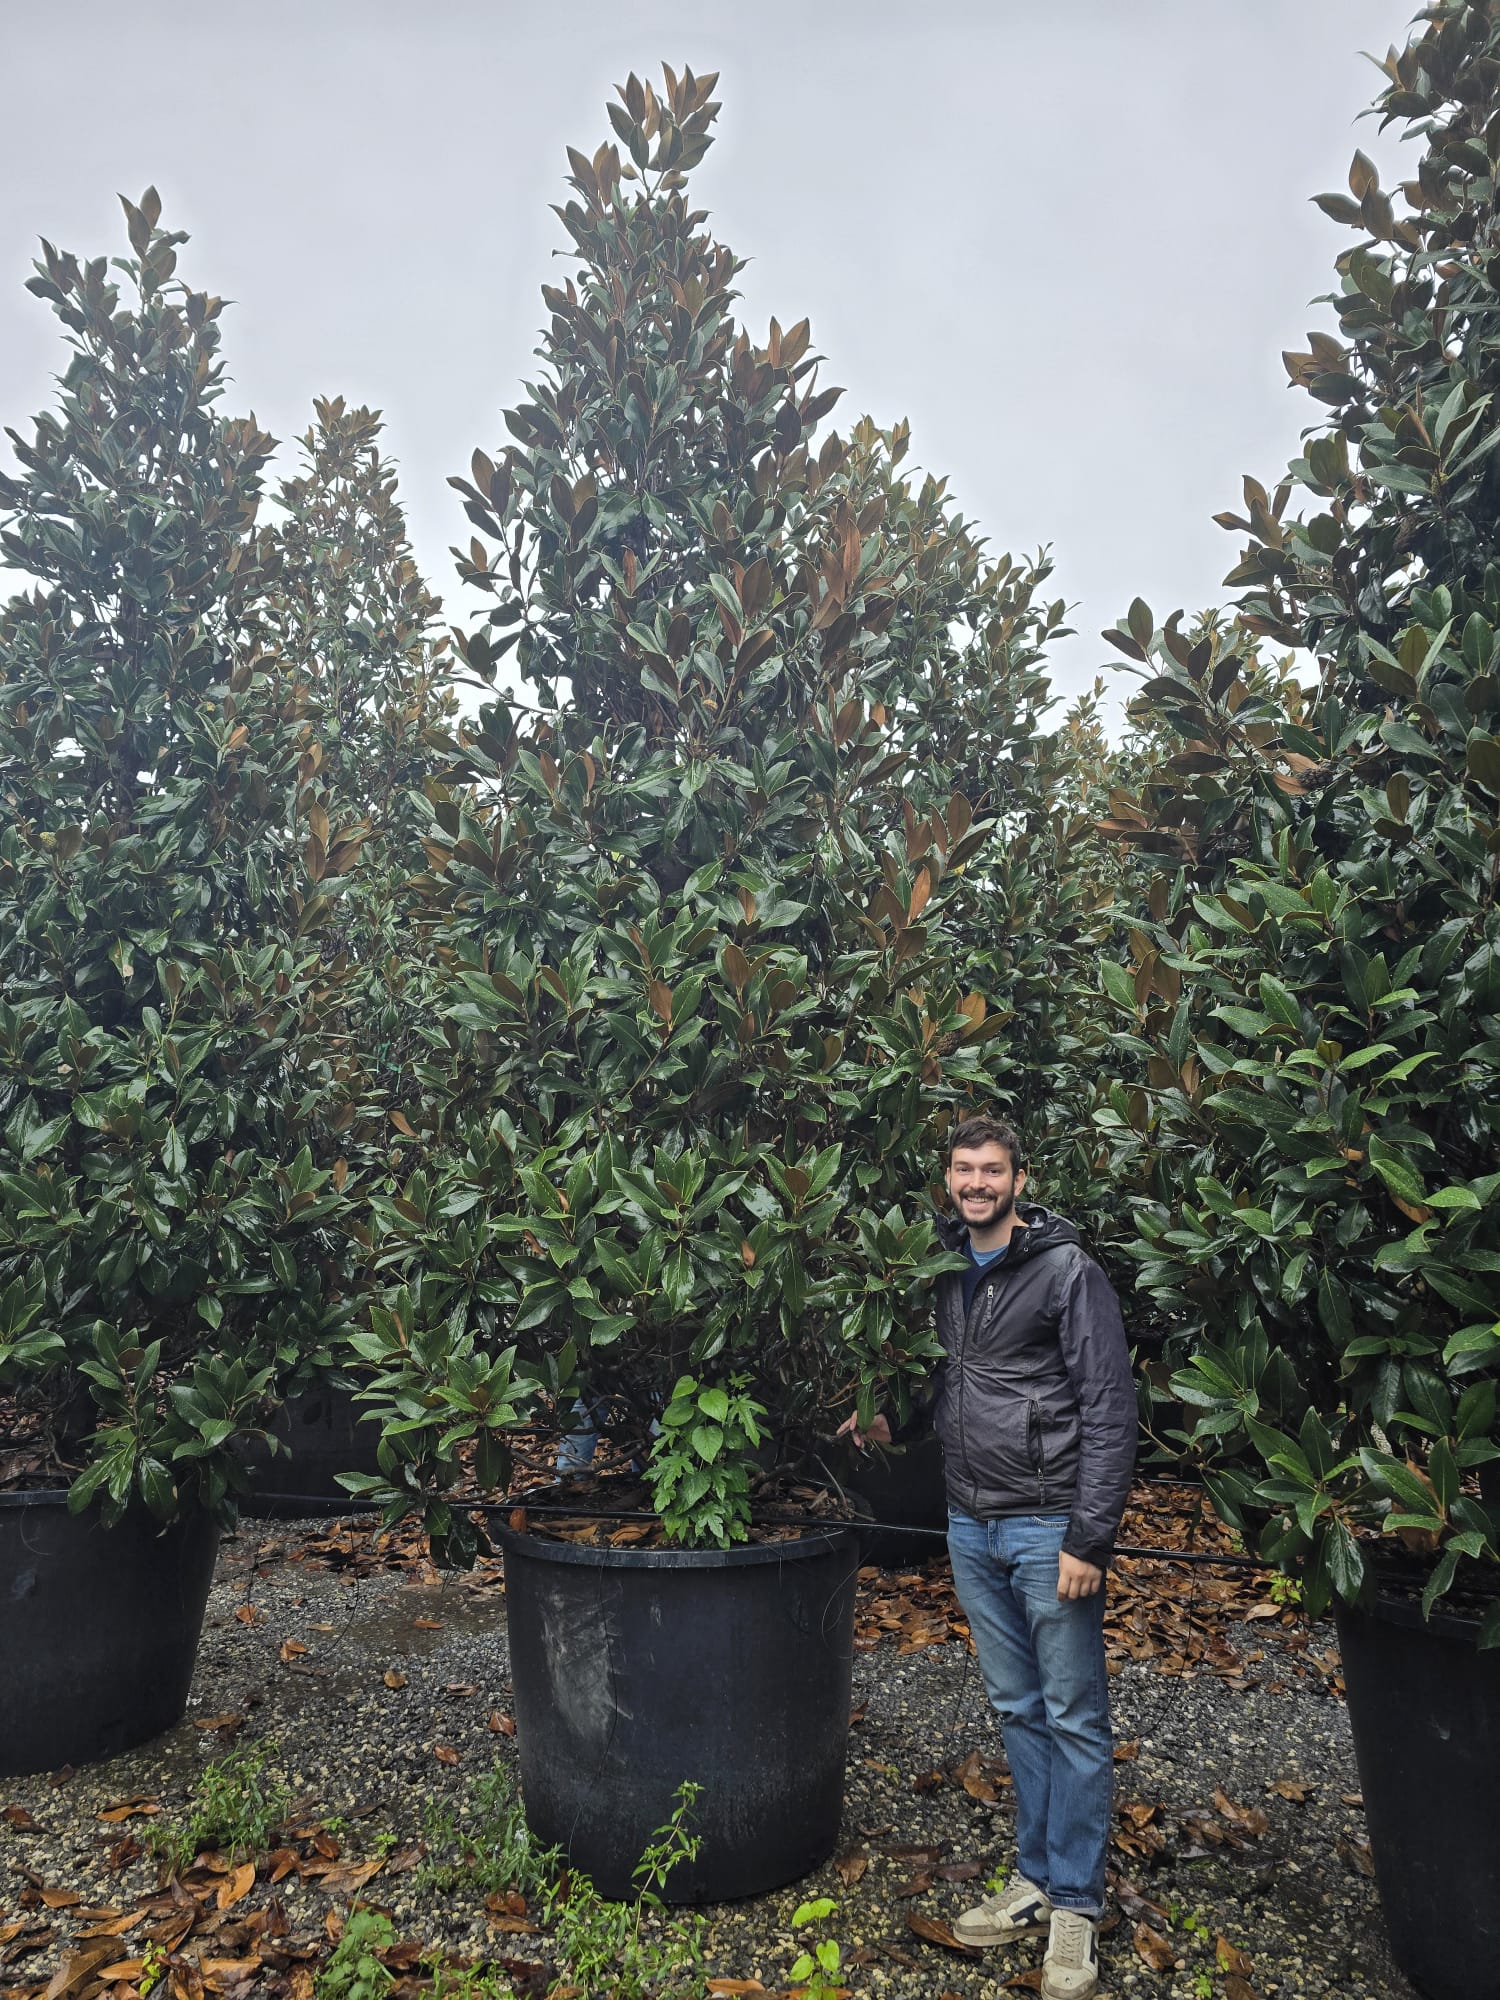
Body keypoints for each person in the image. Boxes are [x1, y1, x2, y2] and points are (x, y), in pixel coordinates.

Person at [840, 1115, 1135, 2000]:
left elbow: (1109, 1408)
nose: (977, 1183)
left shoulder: (1065, 1271)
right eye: (964, 1169)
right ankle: (1037, 1877)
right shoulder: (942, 1270)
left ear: (1018, 1178)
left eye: (992, 1170)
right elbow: (956, 1387)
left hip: (1049, 1528)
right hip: (970, 1525)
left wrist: (1090, 1536)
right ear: (949, 1179)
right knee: (1017, 1707)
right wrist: (896, 1424)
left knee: (1075, 1714)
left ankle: (1077, 1908)